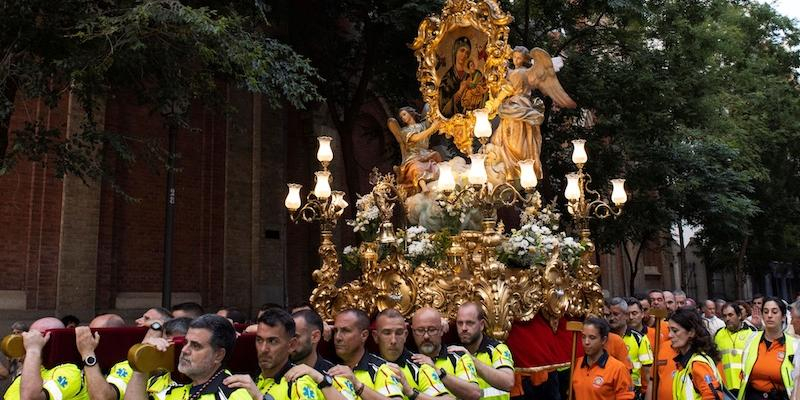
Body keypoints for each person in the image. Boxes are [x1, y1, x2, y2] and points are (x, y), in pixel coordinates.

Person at [223, 308, 348, 400]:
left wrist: (260, 398)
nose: (263, 349)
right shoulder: (254, 379)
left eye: (273, 341)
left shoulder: (299, 382)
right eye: (259, 340)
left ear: (291, 345)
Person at [124, 314, 251, 400]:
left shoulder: (235, 394)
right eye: (185, 343)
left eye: (196, 346)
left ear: (218, 355)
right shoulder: (172, 385)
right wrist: (143, 362)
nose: (184, 350)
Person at [370, 309, 452, 400]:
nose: (393, 340)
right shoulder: (364, 366)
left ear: (405, 335)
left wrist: (411, 392)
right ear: (376, 336)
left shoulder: (420, 366)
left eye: (399, 333)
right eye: (387, 333)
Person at [4, 317, 89, 399]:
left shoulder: (70, 372)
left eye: (35, 337)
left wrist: (33, 350)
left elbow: (30, 398)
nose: (28, 341)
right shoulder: (33, 371)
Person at [329, 309, 404, 400]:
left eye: (345, 331)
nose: (337, 337)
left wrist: (357, 385)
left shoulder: (383, 369)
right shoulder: (329, 369)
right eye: (336, 331)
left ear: (364, 335)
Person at [410, 307, 481, 400]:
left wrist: (438, 372)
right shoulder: (407, 362)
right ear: (412, 332)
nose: (426, 336)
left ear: (441, 330)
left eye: (432, 330)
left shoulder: (458, 357)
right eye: (420, 330)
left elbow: (474, 393)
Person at [449, 302, 514, 400]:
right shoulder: (452, 352)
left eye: (469, 323)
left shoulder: (497, 349)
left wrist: (471, 359)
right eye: (460, 323)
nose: (464, 328)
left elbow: (508, 383)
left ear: (482, 325)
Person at [291, 309, 358, 399]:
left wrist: (322, 380)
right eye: (288, 337)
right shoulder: (276, 369)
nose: (290, 343)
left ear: (315, 337)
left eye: (296, 337)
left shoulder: (335, 375)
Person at [738, 297, 795, 400]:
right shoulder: (751, 339)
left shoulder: (794, 344)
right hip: (753, 396)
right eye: (765, 312)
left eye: (774, 312)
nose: (769, 316)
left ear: (783, 317)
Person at [668, 308, 726, 400]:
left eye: (675, 331)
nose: (669, 335)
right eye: (669, 330)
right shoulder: (685, 363)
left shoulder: (697, 364)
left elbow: (712, 397)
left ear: (691, 332)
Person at [571, 317, 634, 399]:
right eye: (583, 337)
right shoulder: (577, 363)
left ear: (603, 340)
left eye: (592, 337)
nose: (586, 342)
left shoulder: (618, 369)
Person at [387, 107, 443, 192]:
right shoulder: (404, 131)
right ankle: (424, 187)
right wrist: (431, 128)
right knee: (416, 167)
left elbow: (432, 115)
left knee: (438, 159)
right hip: (414, 156)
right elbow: (416, 138)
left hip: (426, 153)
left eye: (404, 114)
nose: (403, 118)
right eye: (401, 117)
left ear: (411, 113)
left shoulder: (423, 125)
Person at [74, 313, 127, 400]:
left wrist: (88, 354)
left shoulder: (128, 366)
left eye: (94, 334)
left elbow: (102, 398)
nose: (89, 340)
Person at [609, 297, 652, 398]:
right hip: (608, 390)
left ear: (626, 315)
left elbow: (649, 375)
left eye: (615, 314)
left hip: (632, 391)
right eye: (608, 315)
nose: (611, 318)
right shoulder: (603, 339)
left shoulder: (639, 338)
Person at [714, 302, 756, 397]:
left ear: (740, 315)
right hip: (725, 387)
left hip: (747, 386)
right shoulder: (718, 334)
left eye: (730, 315)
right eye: (724, 316)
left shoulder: (752, 333)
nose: (727, 319)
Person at [439, 36, 473, 117]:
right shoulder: (447, 78)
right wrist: (460, 91)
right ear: (455, 52)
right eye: (462, 51)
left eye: (467, 53)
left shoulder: (469, 76)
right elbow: (443, 110)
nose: (464, 55)